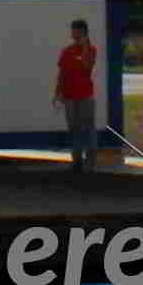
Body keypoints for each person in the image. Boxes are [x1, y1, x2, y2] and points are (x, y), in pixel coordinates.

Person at [53, 18, 106, 172]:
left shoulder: (91, 50)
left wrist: (85, 46)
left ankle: (90, 163)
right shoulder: (66, 51)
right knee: (73, 128)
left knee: (88, 128)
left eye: (76, 30)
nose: (73, 33)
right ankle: (76, 160)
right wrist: (57, 92)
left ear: (83, 32)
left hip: (85, 96)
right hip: (69, 96)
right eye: (72, 30)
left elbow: (87, 66)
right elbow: (62, 73)